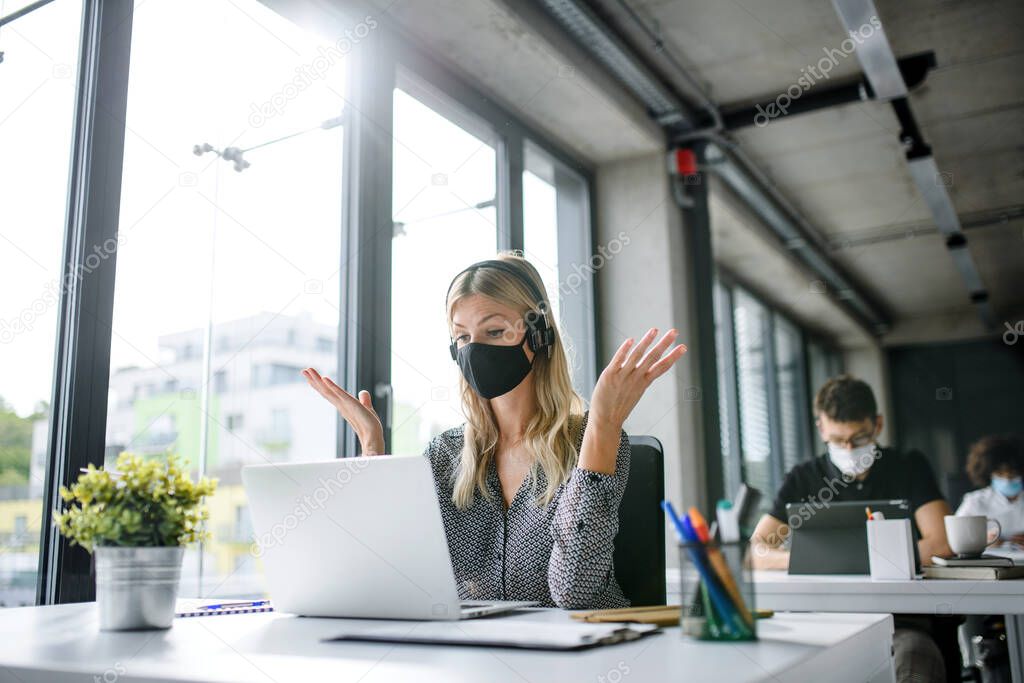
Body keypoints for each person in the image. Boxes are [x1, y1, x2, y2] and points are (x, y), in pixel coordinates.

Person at [302, 254, 686, 609]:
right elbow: (391, 577)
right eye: (464, 337)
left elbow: (575, 590)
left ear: (538, 336)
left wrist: (603, 420)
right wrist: (373, 449)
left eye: (495, 331)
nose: (475, 350)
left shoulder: (592, 441)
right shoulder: (444, 454)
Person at [750, 375, 957, 683]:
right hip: (825, 620)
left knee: (914, 662)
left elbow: (941, 543)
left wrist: (853, 556)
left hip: (902, 622)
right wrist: (816, 560)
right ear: (821, 428)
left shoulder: (908, 467)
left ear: (877, 425)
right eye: (837, 440)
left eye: (859, 438)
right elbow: (756, 551)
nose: (848, 448)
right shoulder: (803, 479)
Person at [957, 434, 1024, 547]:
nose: (1007, 479)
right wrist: (982, 541)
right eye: (1000, 473)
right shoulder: (974, 501)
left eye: (1013, 473)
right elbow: (957, 539)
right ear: (988, 473)